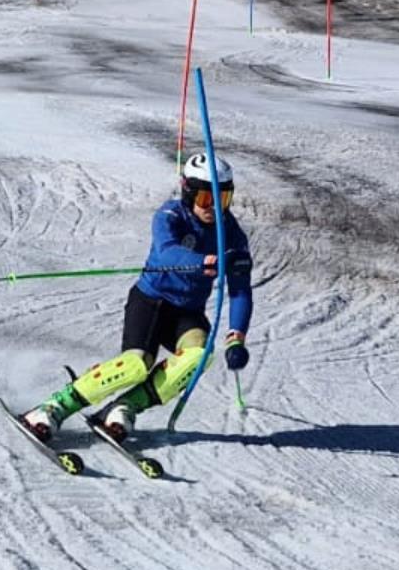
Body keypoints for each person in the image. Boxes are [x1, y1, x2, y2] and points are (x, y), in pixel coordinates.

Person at [21, 153, 255, 443]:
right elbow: (168, 251)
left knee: (200, 355)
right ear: (189, 192)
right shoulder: (170, 215)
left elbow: (241, 290)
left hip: (187, 312)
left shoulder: (232, 235)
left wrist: (236, 338)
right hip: (151, 301)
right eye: (207, 199)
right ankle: (54, 407)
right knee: (137, 365)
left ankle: (124, 407)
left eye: (223, 199)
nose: (215, 209)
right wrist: (208, 260)